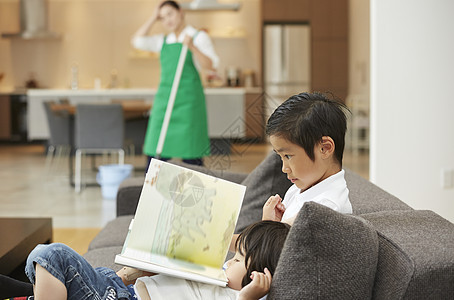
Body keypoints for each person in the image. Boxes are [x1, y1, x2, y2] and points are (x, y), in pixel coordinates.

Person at [23, 221, 290, 300]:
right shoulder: (221, 275)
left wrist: (248, 297)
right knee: (48, 258)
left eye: (239, 259)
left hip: (120, 297)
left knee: (52, 255)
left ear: (258, 275)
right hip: (119, 285)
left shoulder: (241, 297)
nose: (229, 262)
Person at [230, 92, 352, 251]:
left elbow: (268, 252)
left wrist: (268, 226)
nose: (284, 168)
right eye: (280, 157)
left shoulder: (324, 208)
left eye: (288, 156)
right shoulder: (300, 189)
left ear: (325, 148)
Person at [132, 0, 219, 169]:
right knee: (154, 150)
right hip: (164, 102)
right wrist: (152, 17)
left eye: (170, 14)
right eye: (162, 18)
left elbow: (211, 66)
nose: (167, 20)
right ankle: (153, 190)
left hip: (188, 104)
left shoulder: (198, 37)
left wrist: (193, 47)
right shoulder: (162, 41)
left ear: (181, 12)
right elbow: (137, 41)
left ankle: (194, 190)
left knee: (191, 152)